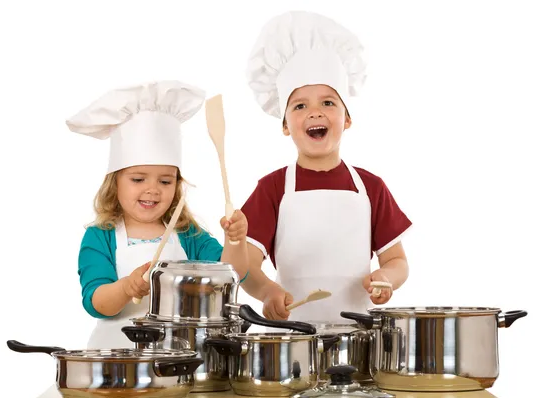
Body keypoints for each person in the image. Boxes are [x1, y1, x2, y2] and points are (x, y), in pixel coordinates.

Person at [239, 11, 412, 323]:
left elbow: (397, 260)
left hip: (358, 338)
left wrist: (386, 277)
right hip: (291, 339)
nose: (314, 112)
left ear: (347, 119)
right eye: (300, 105)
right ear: (285, 125)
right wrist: (266, 291)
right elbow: (247, 263)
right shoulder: (272, 188)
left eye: (328, 102)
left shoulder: (371, 187)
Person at [66, 81, 249, 349]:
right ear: (115, 182)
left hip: (181, 358)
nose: (153, 189)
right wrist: (126, 288)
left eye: (165, 181)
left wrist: (236, 240)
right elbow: (96, 303)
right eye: (138, 179)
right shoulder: (100, 236)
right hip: (118, 359)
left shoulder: (188, 233)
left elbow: (232, 274)